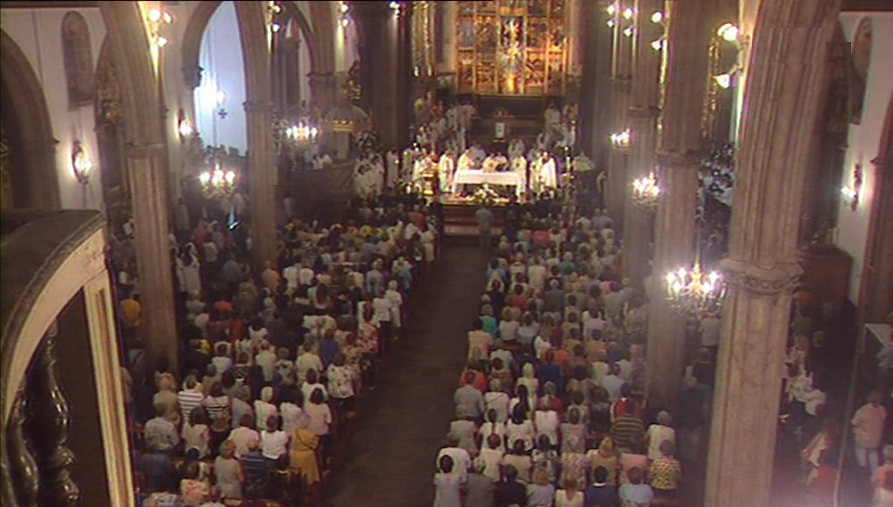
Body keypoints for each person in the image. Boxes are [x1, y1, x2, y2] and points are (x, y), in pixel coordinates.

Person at [853, 390, 888, 472]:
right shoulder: (882, 410)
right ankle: (874, 472)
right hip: (876, 439)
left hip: (863, 438)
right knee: (873, 453)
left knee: (860, 449)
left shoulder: (864, 409)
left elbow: (855, 422)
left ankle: (861, 469)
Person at [289, 414, 322, 485]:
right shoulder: (310, 435)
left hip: (294, 455)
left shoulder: (293, 432)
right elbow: (315, 446)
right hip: (307, 457)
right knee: (308, 476)